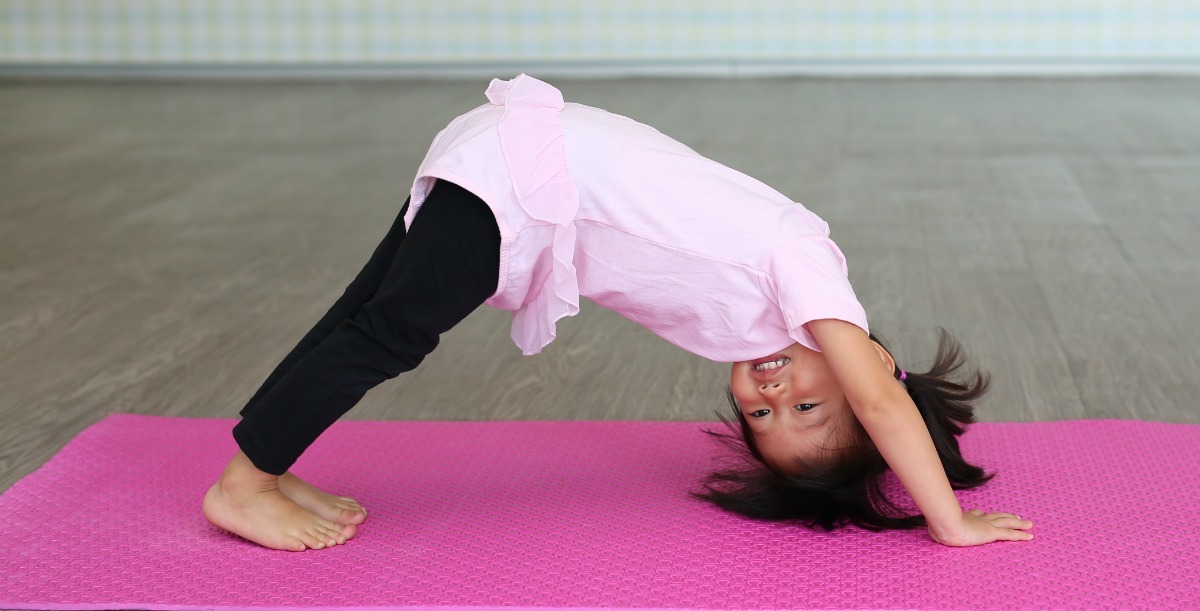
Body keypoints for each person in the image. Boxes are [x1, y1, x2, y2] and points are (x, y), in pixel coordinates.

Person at [202, 74, 1034, 551]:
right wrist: (947, 520)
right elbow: (884, 405)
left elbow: (868, 401)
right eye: (807, 404)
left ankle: (264, 462)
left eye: (761, 415)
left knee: (365, 316)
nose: (769, 392)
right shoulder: (813, 277)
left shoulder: (772, 306)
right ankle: (242, 484)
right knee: (387, 333)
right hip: (526, 186)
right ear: (872, 368)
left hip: (510, 159)